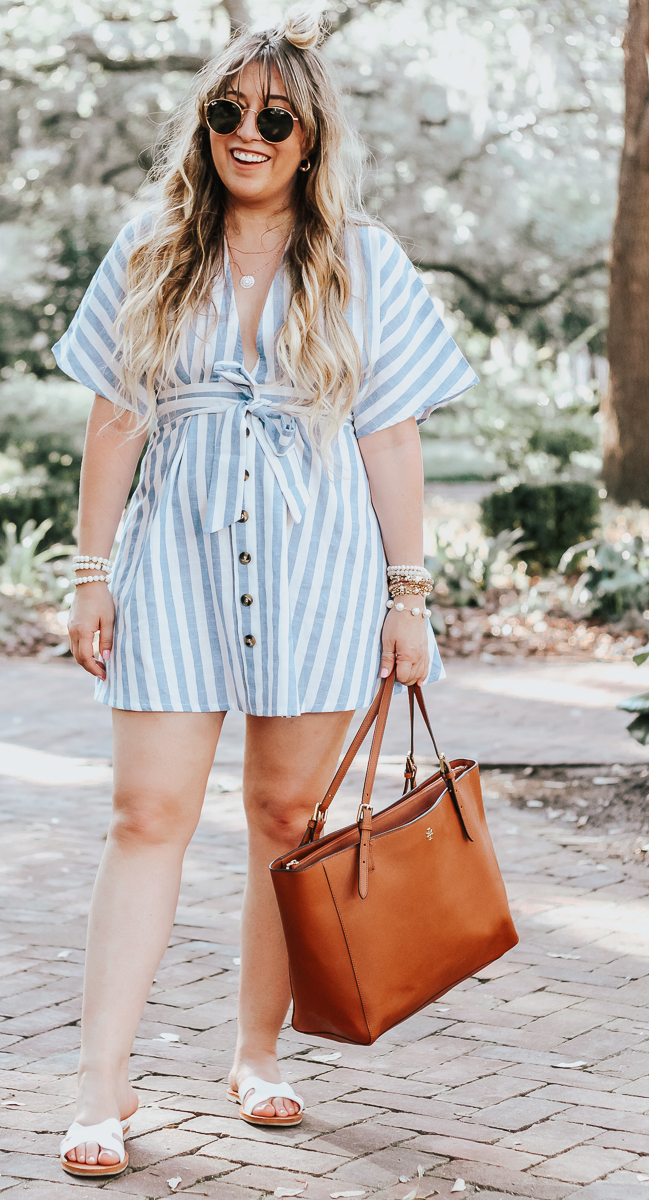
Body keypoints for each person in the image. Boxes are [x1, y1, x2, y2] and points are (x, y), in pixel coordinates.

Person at [52, 5, 477, 1178]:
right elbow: (112, 420)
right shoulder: (149, 246)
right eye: (227, 112)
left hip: (322, 569)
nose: (249, 132)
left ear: (308, 138)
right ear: (205, 126)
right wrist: (89, 574)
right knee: (146, 818)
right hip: (173, 568)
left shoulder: (366, 263)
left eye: (273, 117)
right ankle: (102, 1086)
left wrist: (407, 596)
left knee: (287, 827)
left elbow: (389, 438)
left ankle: (256, 1054)